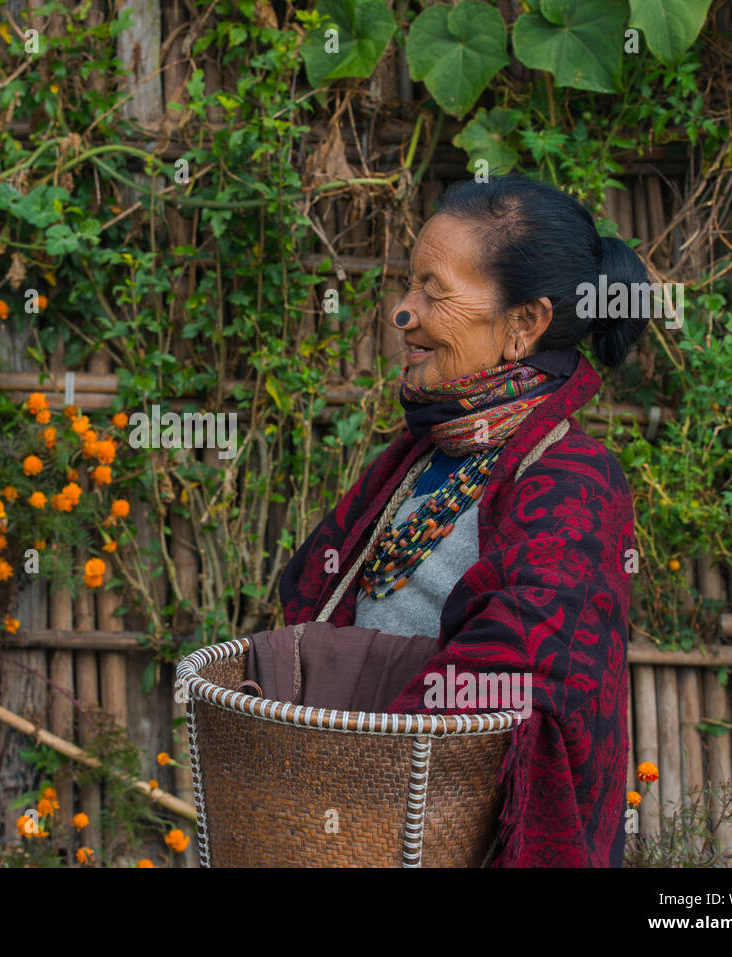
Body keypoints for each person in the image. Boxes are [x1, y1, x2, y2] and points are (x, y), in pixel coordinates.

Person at [281, 173, 650, 866]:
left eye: (433, 291)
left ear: (523, 325)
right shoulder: (424, 455)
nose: (403, 312)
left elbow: (518, 657)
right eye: (410, 285)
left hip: (449, 832)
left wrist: (365, 769)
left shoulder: (571, 481)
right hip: (364, 822)